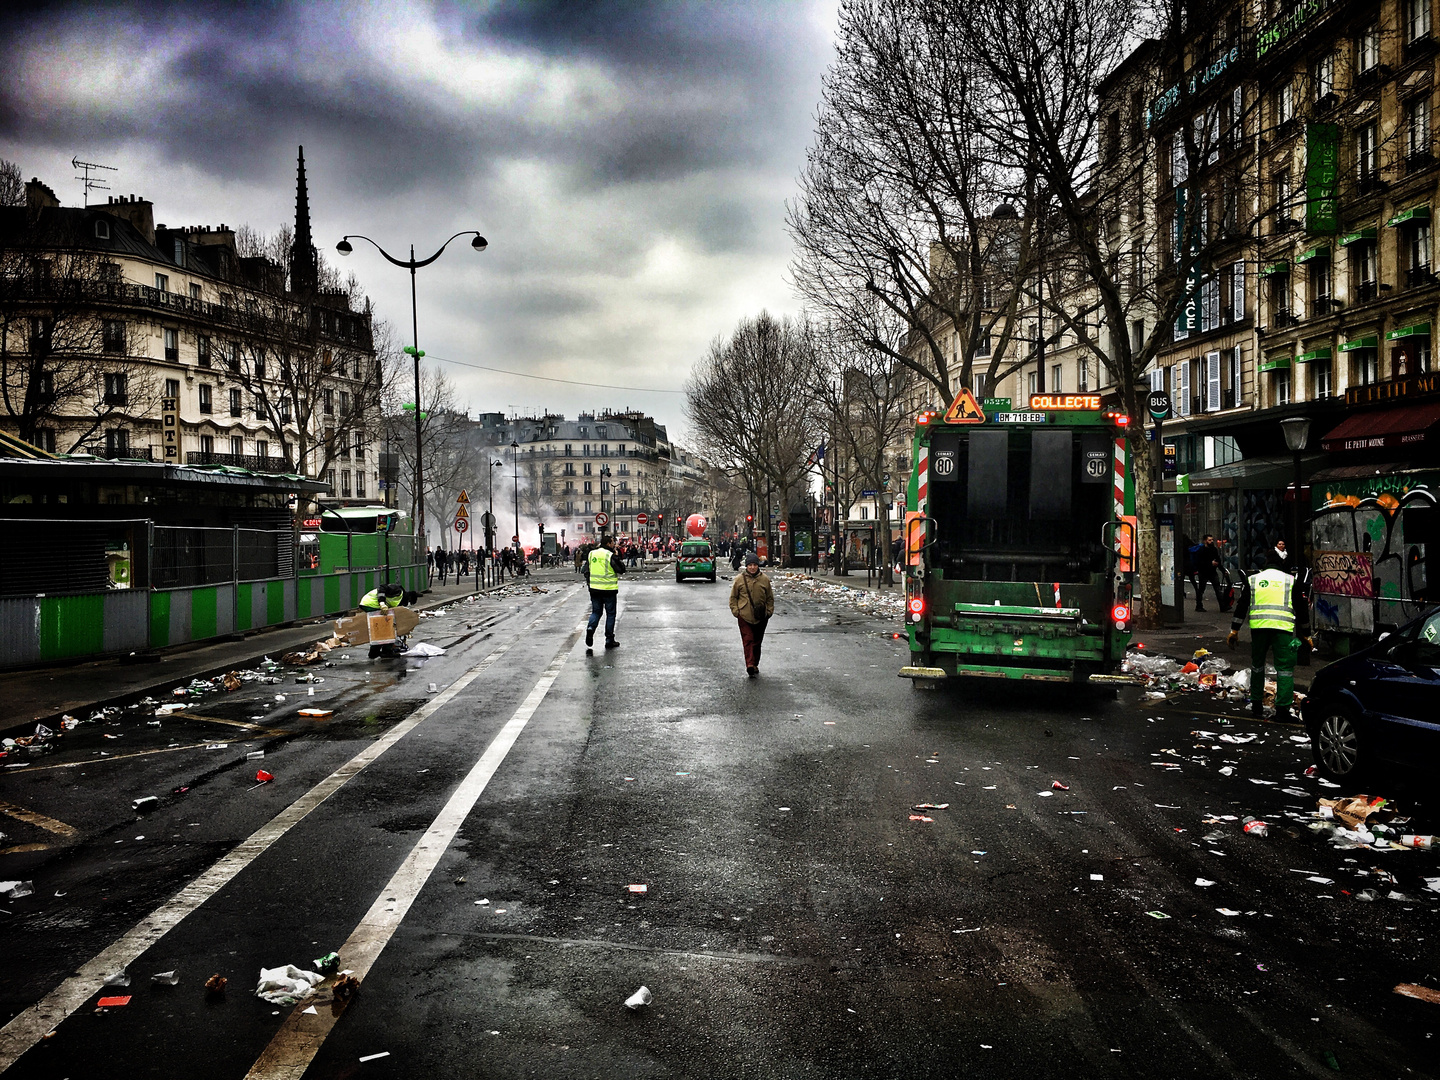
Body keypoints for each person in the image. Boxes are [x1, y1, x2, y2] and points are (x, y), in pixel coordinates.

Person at [1227, 549, 1312, 718]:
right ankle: (1282, 710)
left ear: (1265, 564)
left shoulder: (1253, 580)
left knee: (1257, 666)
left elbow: (1242, 606)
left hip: (1259, 629)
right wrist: (1306, 635)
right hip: (1283, 629)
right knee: (1285, 669)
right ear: (1281, 565)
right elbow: (1302, 609)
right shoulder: (1290, 580)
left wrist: (1234, 630)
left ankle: (1256, 705)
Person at [729, 551, 774, 678]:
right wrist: (736, 612)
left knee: (757, 641)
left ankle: (755, 663)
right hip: (744, 615)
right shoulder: (739, 580)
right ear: (747, 566)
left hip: (761, 616)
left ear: (758, 566)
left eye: (755, 565)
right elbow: (733, 598)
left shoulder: (764, 579)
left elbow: (770, 598)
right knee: (748, 640)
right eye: (750, 565)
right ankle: (749, 664)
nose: (752, 567)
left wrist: (769, 611)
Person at [584, 534, 626, 650]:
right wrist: (617, 557)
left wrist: (590, 584)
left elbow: (586, 571)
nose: (614, 545)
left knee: (596, 612)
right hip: (609, 590)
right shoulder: (610, 555)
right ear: (608, 544)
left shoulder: (592, 554)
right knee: (610, 614)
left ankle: (590, 628)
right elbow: (621, 569)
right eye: (612, 542)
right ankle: (609, 639)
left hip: (594, 589)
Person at [1193, 534, 1229, 612]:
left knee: (1218, 589)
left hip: (1212, 572)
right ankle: (1199, 606)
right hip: (1203, 572)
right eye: (1209, 540)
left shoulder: (1214, 549)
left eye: (1212, 540)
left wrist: (1223, 570)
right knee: (1201, 589)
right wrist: (1210, 563)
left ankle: (1223, 606)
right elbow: (1199, 562)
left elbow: (1218, 560)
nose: (1211, 541)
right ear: (1205, 541)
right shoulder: (1201, 550)